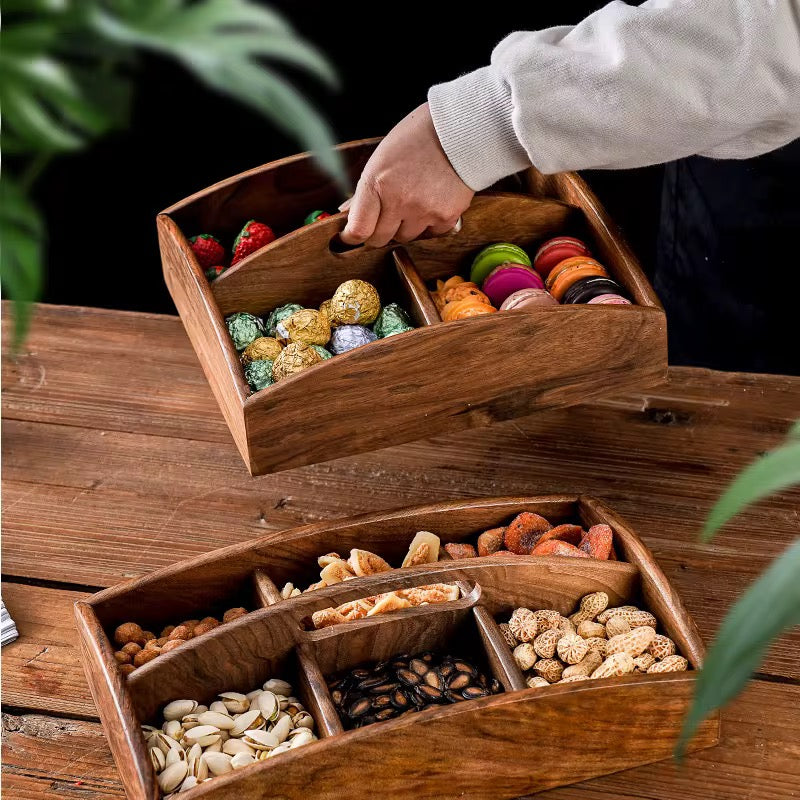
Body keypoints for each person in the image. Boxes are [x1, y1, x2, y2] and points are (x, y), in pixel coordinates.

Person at [340, 0, 800, 373]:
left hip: (773, 172)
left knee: (735, 383)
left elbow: (765, 29)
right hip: (726, 149)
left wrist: (479, 126)